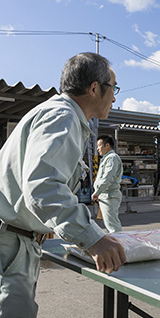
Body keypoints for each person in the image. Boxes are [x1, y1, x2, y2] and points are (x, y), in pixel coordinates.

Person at [0, 52, 126, 317]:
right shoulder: (63, 116)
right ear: (94, 88)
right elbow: (43, 185)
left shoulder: (55, 112)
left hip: (15, 238)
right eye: (113, 88)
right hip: (9, 245)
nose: (114, 97)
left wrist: (43, 223)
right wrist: (94, 239)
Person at [92, 135, 124, 233]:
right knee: (110, 225)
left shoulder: (112, 158)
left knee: (113, 227)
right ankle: (118, 245)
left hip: (109, 196)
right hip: (105, 195)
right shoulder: (107, 158)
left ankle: (121, 246)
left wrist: (97, 192)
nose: (97, 148)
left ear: (107, 145)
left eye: (99, 145)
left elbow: (107, 177)